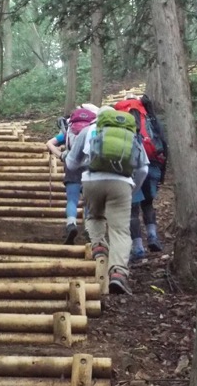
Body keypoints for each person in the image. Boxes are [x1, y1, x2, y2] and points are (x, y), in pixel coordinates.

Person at [65, 105, 149, 295]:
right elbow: (143, 168)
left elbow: (71, 163)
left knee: (94, 216)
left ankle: (99, 246)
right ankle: (118, 273)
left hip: (92, 181)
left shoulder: (86, 131)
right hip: (122, 184)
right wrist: (132, 188)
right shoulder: (129, 134)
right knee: (120, 230)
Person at [114, 94, 168, 260]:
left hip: (132, 164)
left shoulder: (119, 112)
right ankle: (152, 236)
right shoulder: (147, 113)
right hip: (153, 161)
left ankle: (138, 248)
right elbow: (163, 140)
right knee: (148, 203)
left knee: (133, 208)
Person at [46, 104, 98, 244]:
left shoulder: (69, 128)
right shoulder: (92, 128)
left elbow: (50, 143)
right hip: (90, 166)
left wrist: (61, 155)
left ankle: (71, 224)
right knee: (88, 201)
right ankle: (89, 228)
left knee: (72, 200)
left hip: (72, 166)